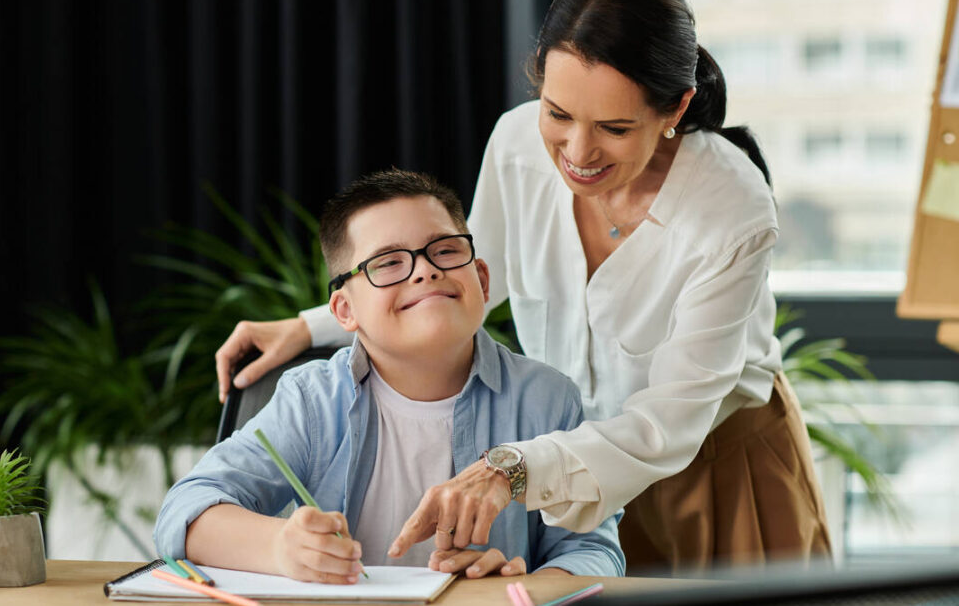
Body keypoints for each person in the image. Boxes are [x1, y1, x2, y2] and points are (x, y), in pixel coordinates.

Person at [214, 0, 831, 575]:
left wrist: (512, 469)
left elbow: (667, 423)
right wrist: (312, 326)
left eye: (614, 128)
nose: (578, 153)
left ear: (677, 106)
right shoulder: (515, 144)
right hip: (557, 473)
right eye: (558, 113)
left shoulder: (731, 206)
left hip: (708, 464)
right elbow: (479, 274)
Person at [158, 170, 625, 583]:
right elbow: (185, 511)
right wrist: (280, 547)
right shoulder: (313, 399)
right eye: (388, 262)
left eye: (445, 250)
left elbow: (592, 550)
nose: (425, 270)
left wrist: (521, 586)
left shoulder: (546, 399)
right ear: (344, 310)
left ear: (482, 280)